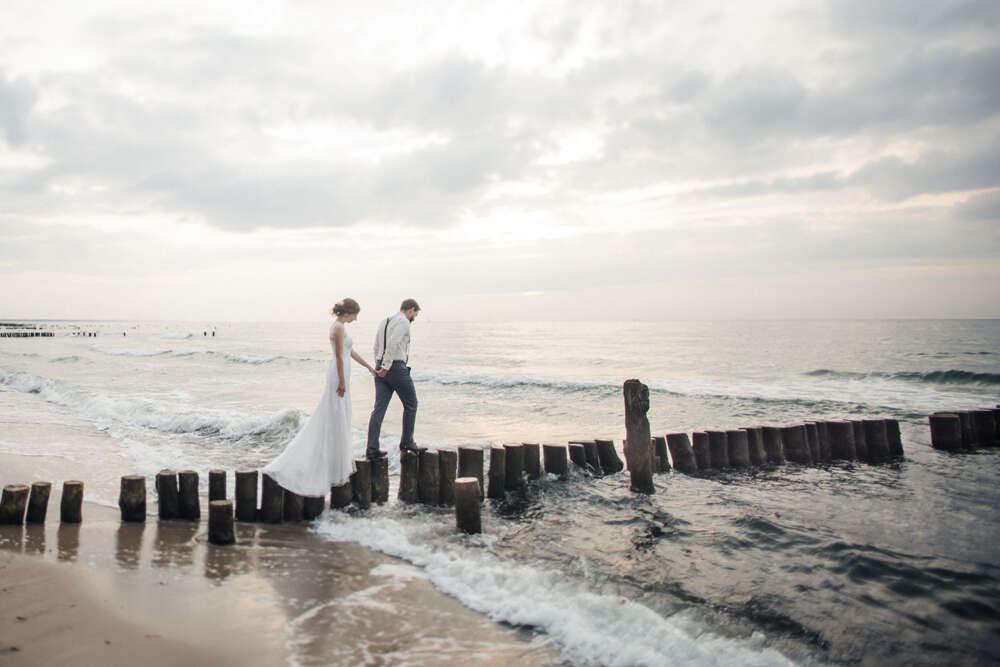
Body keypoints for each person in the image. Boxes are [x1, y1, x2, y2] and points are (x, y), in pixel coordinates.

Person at [263, 298, 378, 497]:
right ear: (348, 312)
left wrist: (368, 366)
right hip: (338, 375)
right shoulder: (338, 328)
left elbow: (349, 352)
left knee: (339, 415)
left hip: (343, 374)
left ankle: (334, 459)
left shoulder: (340, 326)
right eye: (355, 314)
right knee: (333, 415)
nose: (356, 318)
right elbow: (339, 357)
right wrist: (341, 381)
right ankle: (325, 460)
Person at [366, 298, 424, 457]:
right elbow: (393, 344)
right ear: (411, 309)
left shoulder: (384, 321)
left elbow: (376, 346)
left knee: (379, 409)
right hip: (395, 367)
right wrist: (386, 367)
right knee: (411, 404)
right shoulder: (404, 322)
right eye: (415, 314)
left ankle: (372, 448)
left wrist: (378, 364)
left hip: (380, 365)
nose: (414, 318)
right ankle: (407, 442)